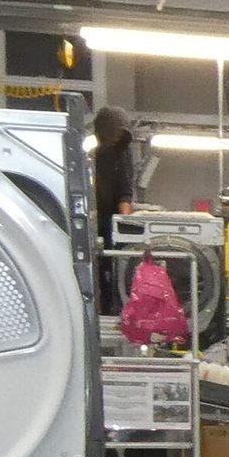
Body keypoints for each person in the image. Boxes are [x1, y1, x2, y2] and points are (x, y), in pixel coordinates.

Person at [90, 105, 135, 314]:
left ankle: (112, 306)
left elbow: (126, 188)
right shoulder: (90, 150)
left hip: (111, 218)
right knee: (95, 266)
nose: (117, 137)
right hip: (91, 215)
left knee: (113, 265)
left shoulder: (122, 152)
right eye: (115, 132)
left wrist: (123, 221)